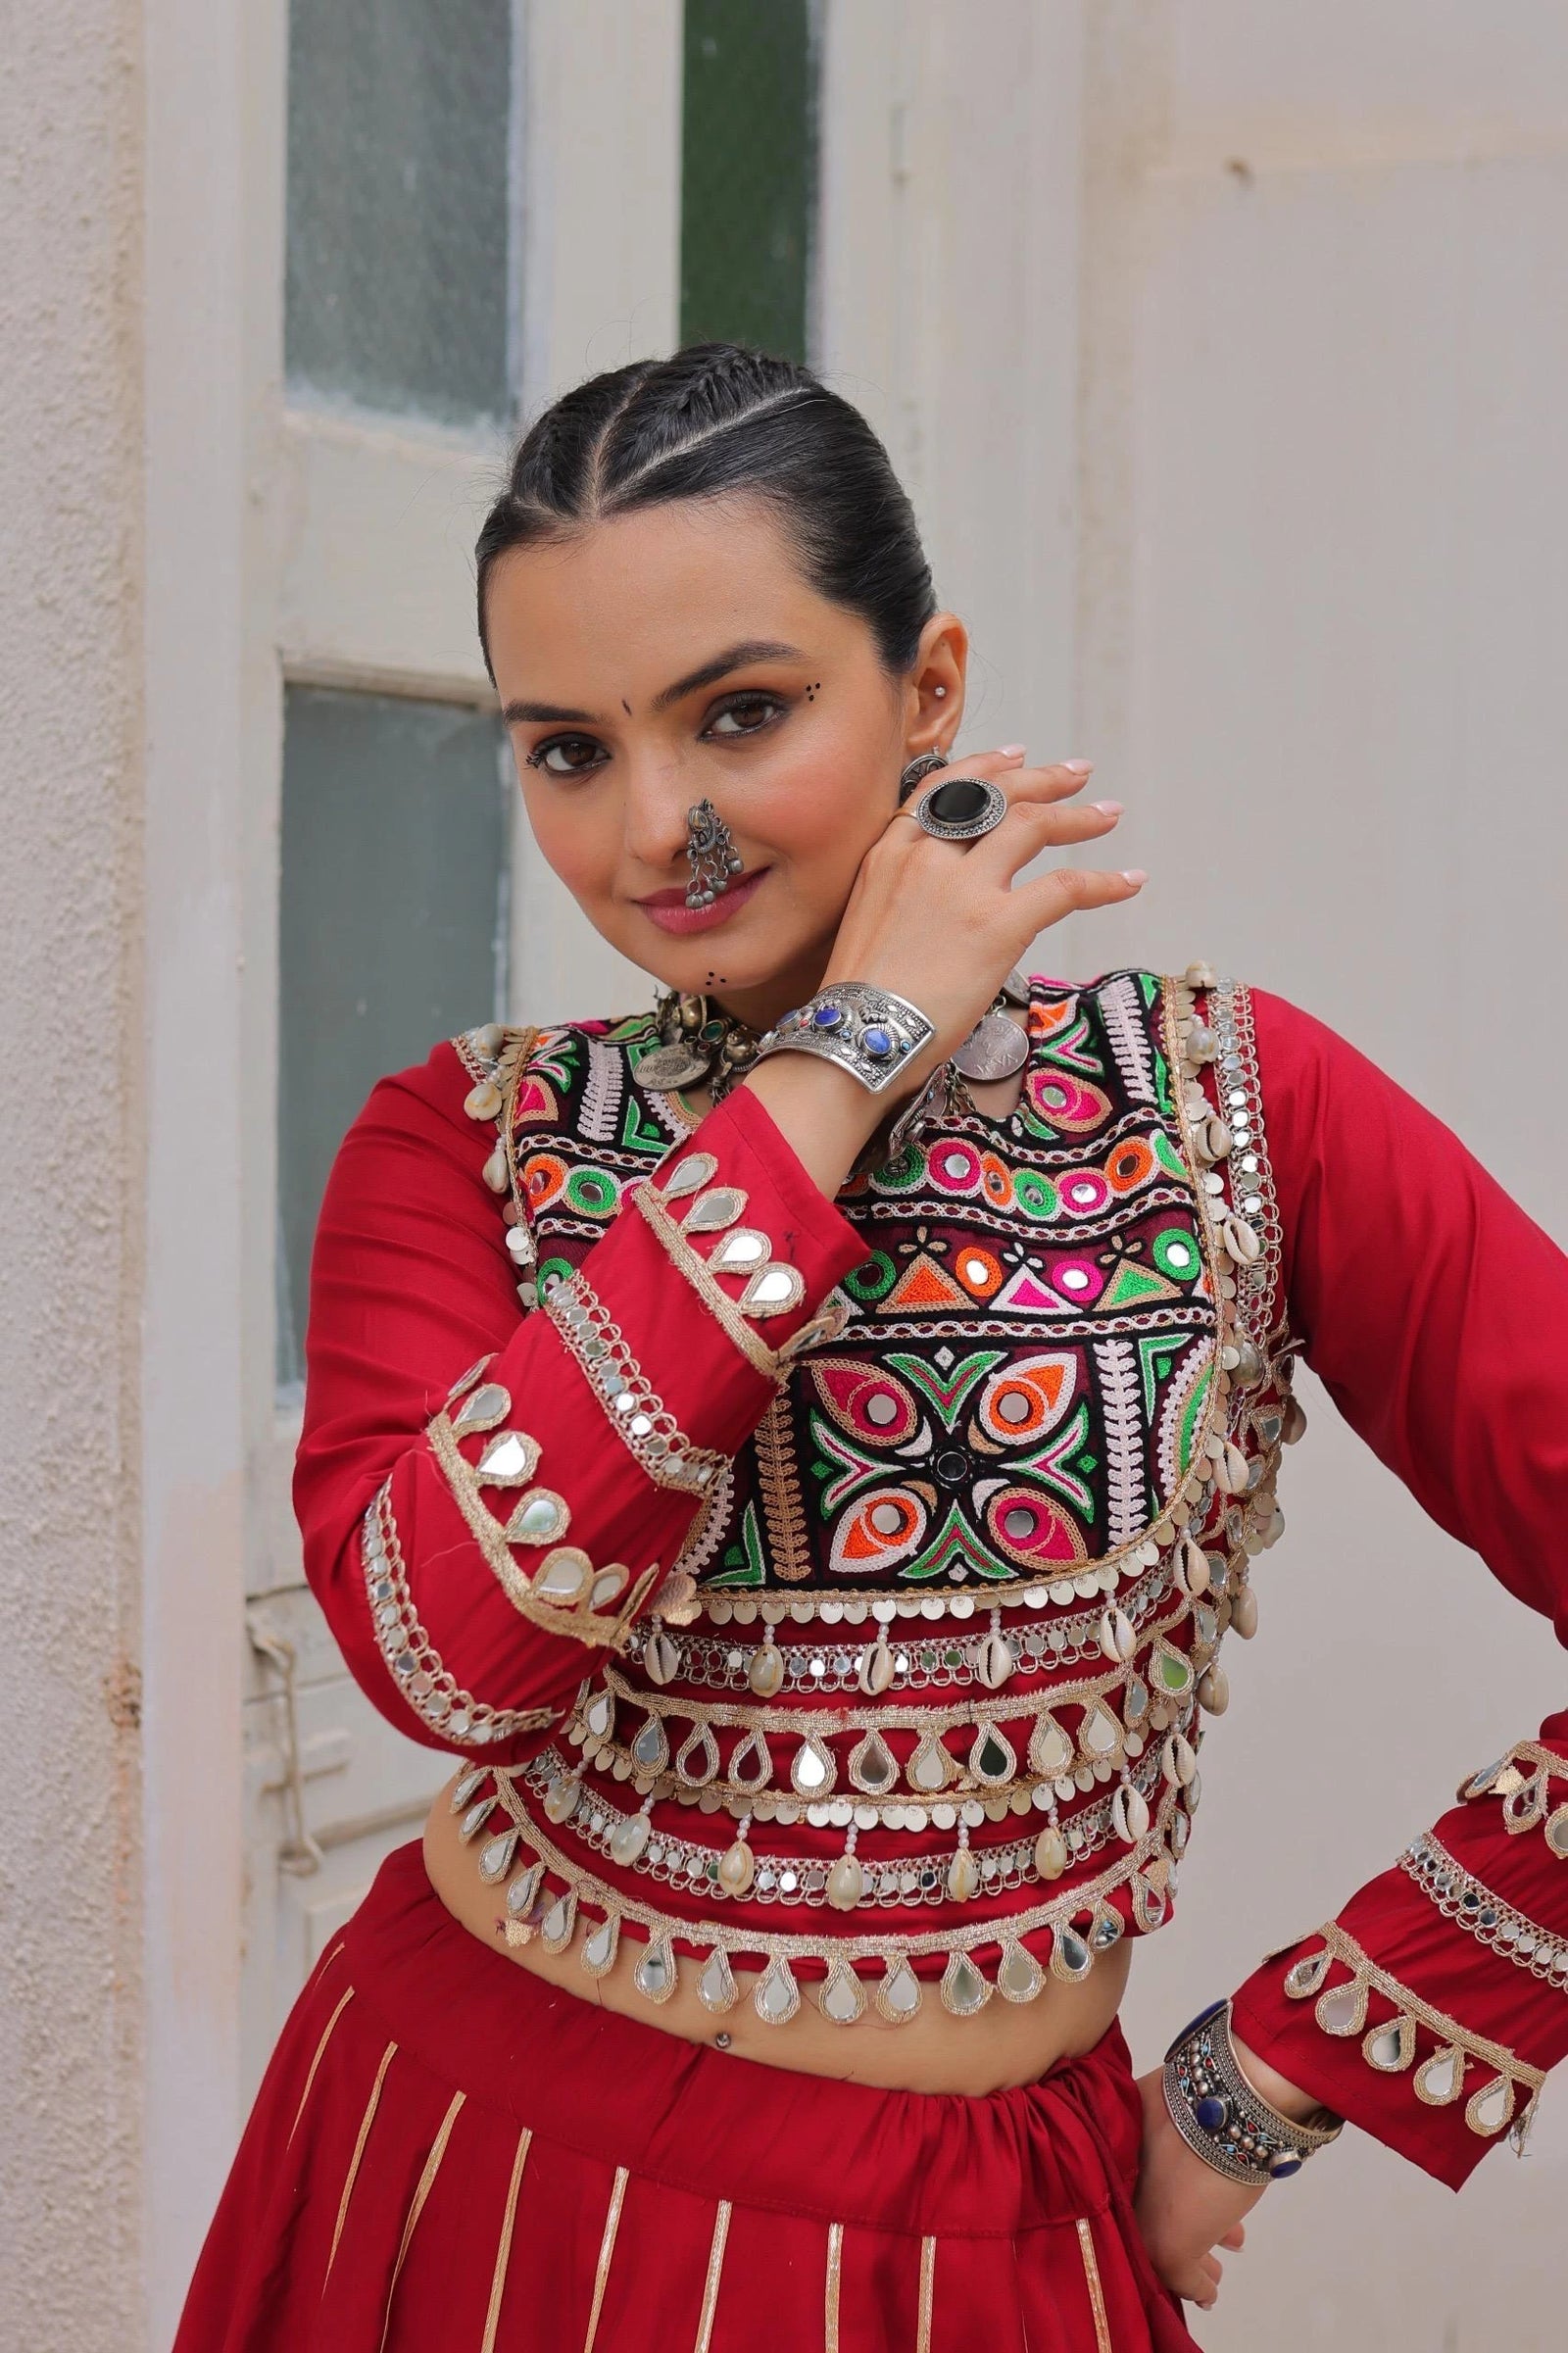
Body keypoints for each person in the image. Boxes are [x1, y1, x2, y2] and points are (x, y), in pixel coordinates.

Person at [175, 344, 1568, 2353]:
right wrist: (837, 1063)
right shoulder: (461, 1139)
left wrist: (1295, 2057)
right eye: (566, 748)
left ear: (927, 692)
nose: (657, 825)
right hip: (477, 2173)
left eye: (738, 714)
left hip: (978, 2251)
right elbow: (443, 1654)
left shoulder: (1231, 1107)